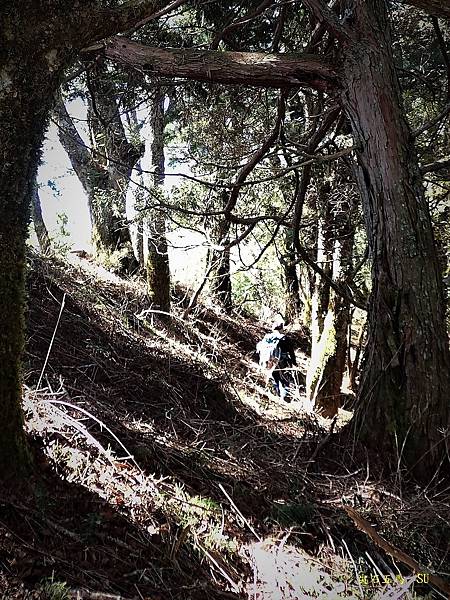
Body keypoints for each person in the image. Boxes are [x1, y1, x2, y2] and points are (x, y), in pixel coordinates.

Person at [256, 316, 297, 402]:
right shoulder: (284, 338)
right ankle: (285, 397)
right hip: (282, 361)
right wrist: (294, 362)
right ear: (281, 328)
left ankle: (277, 396)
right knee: (285, 380)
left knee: (274, 378)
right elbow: (291, 351)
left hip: (269, 361)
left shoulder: (267, 337)